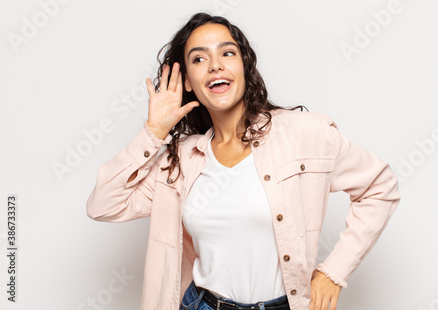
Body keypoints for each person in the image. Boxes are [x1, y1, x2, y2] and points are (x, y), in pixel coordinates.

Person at [86, 12, 400, 310]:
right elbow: (103, 205)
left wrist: (334, 272)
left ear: (244, 66)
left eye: (227, 53)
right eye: (199, 58)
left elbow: (380, 187)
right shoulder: (180, 161)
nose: (214, 66)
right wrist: (153, 132)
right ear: (187, 82)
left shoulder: (302, 133)